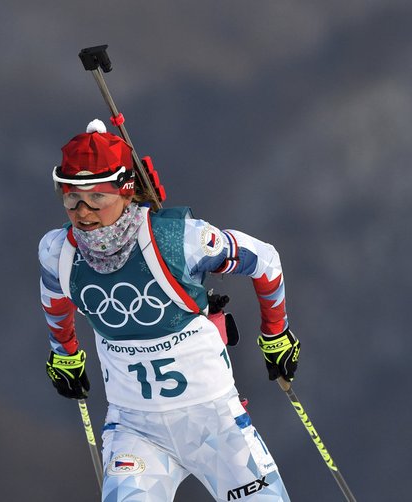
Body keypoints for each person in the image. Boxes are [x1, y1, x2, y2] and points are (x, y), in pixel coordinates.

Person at [38, 119, 299, 501]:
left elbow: (264, 260)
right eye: (70, 197)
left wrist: (276, 334)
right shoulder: (58, 251)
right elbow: (55, 301)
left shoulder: (180, 240)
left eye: (96, 198)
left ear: (126, 193)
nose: (82, 211)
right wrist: (65, 354)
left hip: (215, 425)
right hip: (135, 431)